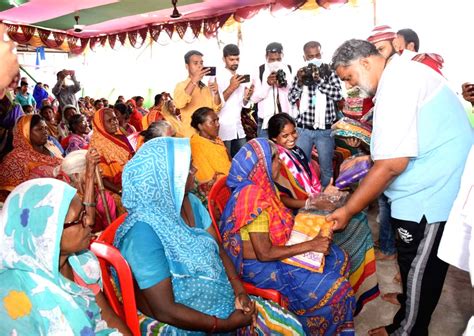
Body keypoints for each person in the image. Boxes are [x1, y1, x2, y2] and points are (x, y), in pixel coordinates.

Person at [330, 39, 473, 336]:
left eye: (349, 77)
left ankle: (407, 329)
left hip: (431, 195)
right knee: (411, 267)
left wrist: (348, 209)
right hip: (424, 186)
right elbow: (409, 141)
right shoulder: (402, 76)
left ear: (365, 62)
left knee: (421, 269)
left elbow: (394, 163)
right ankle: (408, 310)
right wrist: (369, 159)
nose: (350, 86)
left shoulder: (398, 83)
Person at [114, 136, 304, 335]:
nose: (195, 170)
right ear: (166, 178)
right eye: (188, 167)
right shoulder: (141, 234)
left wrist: (239, 291)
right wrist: (223, 325)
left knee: (291, 327)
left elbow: (219, 250)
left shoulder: (191, 202)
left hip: (223, 302)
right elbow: (165, 310)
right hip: (183, 323)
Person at [220, 138, 355, 334]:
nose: (280, 163)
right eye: (275, 159)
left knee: (339, 257)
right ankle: (313, 326)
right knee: (338, 290)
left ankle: (319, 317)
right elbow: (264, 253)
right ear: (262, 165)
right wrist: (311, 245)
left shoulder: (263, 185)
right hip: (259, 265)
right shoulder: (252, 197)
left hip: (274, 248)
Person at [267, 113, 379, 315]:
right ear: (274, 138)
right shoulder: (275, 159)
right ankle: (340, 287)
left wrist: (323, 194)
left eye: (294, 133)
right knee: (352, 226)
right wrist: (311, 201)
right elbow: (282, 198)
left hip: (312, 202)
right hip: (296, 212)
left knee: (359, 219)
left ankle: (354, 286)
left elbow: (310, 181)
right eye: (285, 136)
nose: (291, 138)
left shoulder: (298, 152)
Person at [0, 175, 130, 335]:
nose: (89, 221)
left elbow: (107, 317)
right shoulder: (14, 296)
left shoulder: (79, 263)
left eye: (85, 212)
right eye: (78, 219)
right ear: (46, 233)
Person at [288, 41, 344, 187]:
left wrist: (319, 81)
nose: (314, 59)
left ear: (322, 54)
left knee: (326, 168)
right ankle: (306, 197)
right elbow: (292, 98)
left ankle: (325, 200)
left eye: (317, 55)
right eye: (310, 56)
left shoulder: (330, 72)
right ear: (304, 57)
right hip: (303, 130)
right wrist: (300, 83)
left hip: (325, 130)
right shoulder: (300, 73)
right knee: (300, 167)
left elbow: (338, 95)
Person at [0, 114, 63, 201]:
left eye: (45, 128)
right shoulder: (15, 159)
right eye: (39, 129)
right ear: (25, 133)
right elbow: (12, 195)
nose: (45, 132)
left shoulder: (51, 147)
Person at [54, 149, 117, 233]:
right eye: (94, 168)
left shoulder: (103, 198)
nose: (101, 171)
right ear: (76, 176)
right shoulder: (65, 200)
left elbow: (111, 230)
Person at [216, 44, 254, 157]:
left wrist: (247, 96)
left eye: (237, 59)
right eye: (231, 59)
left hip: (238, 127)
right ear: (224, 59)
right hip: (223, 128)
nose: (235, 62)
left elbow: (243, 104)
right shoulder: (218, 77)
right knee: (226, 163)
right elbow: (216, 104)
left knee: (244, 161)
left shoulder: (239, 77)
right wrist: (232, 87)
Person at [173, 50, 222, 137]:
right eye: (195, 63)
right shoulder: (180, 86)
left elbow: (216, 109)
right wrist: (194, 81)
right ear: (187, 66)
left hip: (208, 136)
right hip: (190, 136)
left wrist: (216, 93)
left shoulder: (206, 88)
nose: (200, 66)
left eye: (201, 63)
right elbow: (179, 104)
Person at [90, 107, 134, 199]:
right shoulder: (96, 145)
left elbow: (133, 157)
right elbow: (101, 177)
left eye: (115, 119)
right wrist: (121, 191)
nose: (114, 122)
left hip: (132, 180)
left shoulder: (121, 137)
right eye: (109, 121)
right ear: (100, 125)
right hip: (114, 189)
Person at [251, 42, 292, 139]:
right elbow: (254, 98)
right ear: (266, 57)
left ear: (282, 56)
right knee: (266, 151)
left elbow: (293, 94)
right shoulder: (259, 71)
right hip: (266, 122)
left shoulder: (289, 69)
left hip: (285, 120)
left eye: (278, 59)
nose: (275, 62)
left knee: (286, 152)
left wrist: (283, 84)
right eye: (272, 60)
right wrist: (267, 84)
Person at [190, 107, 231, 203]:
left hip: (230, 181)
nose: (218, 124)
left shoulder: (217, 140)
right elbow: (208, 179)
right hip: (218, 192)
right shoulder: (196, 145)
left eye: (217, 120)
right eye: (213, 122)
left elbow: (229, 162)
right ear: (200, 126)